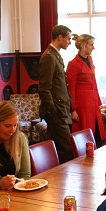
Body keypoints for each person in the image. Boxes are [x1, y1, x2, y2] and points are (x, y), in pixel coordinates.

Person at [39, 25, 73, 163]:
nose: (70, 42)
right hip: (56, 112)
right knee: (66, 149)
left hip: (61, 110)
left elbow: (61, 85)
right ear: (60, 37)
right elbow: (44, 89)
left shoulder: (55, 55)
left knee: (59, 149)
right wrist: (53, 112)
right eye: (68, 39)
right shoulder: (49, 57)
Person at [66, 34, 106, 146]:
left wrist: (98, 102)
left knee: (98, 135)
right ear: (84, 45)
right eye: (91, 44)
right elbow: (71, 88)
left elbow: (94, 81)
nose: (93, 47)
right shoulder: (73, 64)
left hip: (93, 102)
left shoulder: (90, 59)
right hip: (82, 105)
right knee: (86, 137)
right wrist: (72, 109)